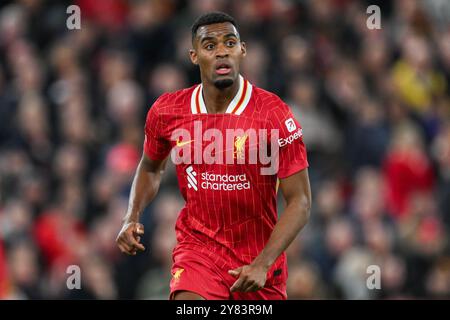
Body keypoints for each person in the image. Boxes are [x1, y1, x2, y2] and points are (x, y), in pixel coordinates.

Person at [116, 11, 311, 300]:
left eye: (230, 43)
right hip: (198, 253)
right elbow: (150, 168)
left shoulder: (273, 114)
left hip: (258, 264)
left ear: (242, 50)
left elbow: (301, 201)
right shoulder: (168, 111)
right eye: (210, 46)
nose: (222, 52)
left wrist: (263, 263)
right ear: (194, 56)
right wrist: (131, 216)